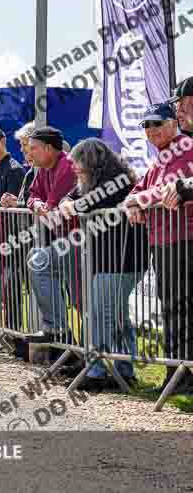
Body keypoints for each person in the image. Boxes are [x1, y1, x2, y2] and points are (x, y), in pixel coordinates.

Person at [58, 138, 147, 389]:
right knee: (117, 316)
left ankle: (96, 371)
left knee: (100, 314)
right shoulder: (91, 181)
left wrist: (72, 205)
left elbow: (86, 203)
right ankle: (124, 370)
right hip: (107, 259)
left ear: (92, 161)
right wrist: (68, 203)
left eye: (77, 161)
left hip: (122, 260)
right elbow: (70, 199)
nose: (73, 166)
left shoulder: (116, 181)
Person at [125, 102, 193, 393]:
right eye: (146, 125)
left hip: (184, 239)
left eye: (156, 123)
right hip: (164, 241)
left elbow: (166, 189)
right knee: (171, 311)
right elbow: (138, 191)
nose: (150, 130)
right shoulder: (159, 158)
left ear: (173, 123)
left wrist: (138, 201)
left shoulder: (186, 147)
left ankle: (184, 379)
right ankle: (174, 378)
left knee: (183, 311)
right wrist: (132, 203)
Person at [26, 126, 78, 340]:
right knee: (37, 260)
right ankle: (60, 333)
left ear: (48, 148)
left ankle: (67, 339)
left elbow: (53, 206)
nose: (29, 153)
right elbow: (32, 196)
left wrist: (41, 206)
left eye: (33, 148)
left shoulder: (66, 166)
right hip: (64, 239)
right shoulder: (44, 168)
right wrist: (36, 203)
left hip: (80, 238)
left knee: (82, 300)